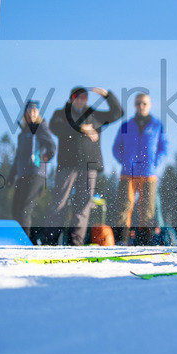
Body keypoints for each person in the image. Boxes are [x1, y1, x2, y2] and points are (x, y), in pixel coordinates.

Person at [47, 86, 123, 245]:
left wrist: (108, 95)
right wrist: (81, 129)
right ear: (71, 98)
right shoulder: (61, 114)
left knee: (83, 204)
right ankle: (50, 240)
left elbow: (118, 113)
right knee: (59, 202)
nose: (81, 100)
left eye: (84, 97)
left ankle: (76, 242)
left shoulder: (94, 114)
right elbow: (55, 127)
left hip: (90, 165)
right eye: (77, 96)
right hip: (67, 164)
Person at [112, 93, 169, 245]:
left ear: (149, 105)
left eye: (144, 103)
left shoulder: (157, 125)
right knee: (124, 206)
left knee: (148, 210)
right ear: (134, 105)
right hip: (128, 173)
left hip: (149, 173)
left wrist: (155, 163)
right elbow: (116, 147)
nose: (141, 106)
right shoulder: (126, 125)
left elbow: (164, 147)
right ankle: (121, 241)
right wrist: (124, 161)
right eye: (138, 103)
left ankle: (145, 242)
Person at [6, 100, 57, 243]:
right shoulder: (22, 134)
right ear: (25, 114)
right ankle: (23, 238)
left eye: (35, 111)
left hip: (37, 173)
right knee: (16, 208)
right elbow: (17, 157)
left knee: (25, 208)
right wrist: (11, 176)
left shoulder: (41, 128)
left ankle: (25, 240)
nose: (32, 114)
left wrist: (47, 156)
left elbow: (52, 145)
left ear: (38, 113)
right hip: (22, 174)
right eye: (29, 111)